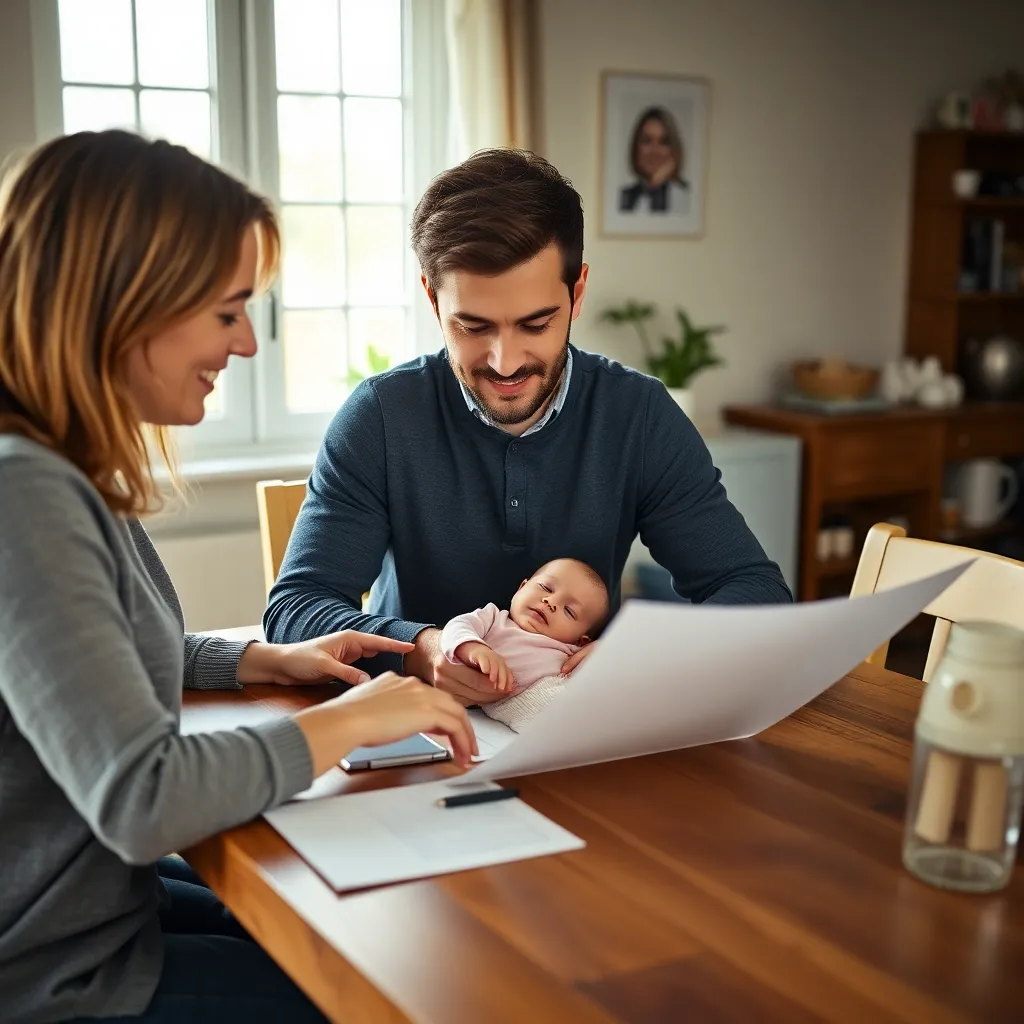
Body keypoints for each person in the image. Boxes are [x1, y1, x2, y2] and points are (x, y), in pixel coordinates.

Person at [0, 130, 475, 1024]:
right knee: (409, 989)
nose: (249, 343)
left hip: (96, 911)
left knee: (354, 928)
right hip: (53, 975)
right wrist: (354, 719)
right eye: (227, 312)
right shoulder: (25, 495)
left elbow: (80, 666)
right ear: (124, 305)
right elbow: (144, 798)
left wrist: (255, 660)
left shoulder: (54, 471)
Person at [265, 148, 792, 708]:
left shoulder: (638, 415)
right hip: (414, 725)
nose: (506, 362)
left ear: (577, 293)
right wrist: (422, 649)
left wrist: (646, 650)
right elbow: (296, 608)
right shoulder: (380, 417)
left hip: (579, 730)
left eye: (536, 324)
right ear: (433, 299)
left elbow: (757, 594)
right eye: (473, 326)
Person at [441, 559, 609, 731]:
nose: (550, 602)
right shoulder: (493, 619)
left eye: (569, 611)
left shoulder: (573, 653)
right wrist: (472, 646)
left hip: (558, 702)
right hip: (516, 705)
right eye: (546, 588)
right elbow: (457, 626)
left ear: (581, 640)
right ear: (521, 588)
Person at [618, 106, 691, 214]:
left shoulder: (687, 196)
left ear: (674, 149)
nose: (655, 151)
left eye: (664, 142)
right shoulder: (625, 197)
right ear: (636, 147)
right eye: (647, 141)